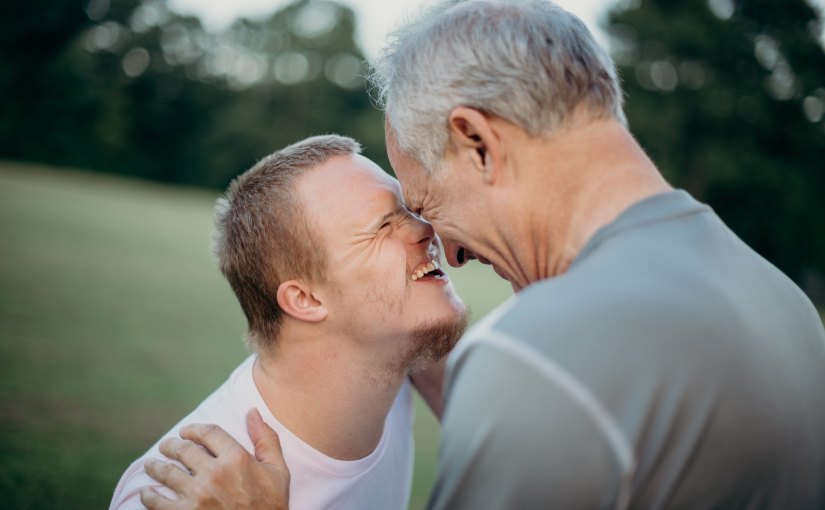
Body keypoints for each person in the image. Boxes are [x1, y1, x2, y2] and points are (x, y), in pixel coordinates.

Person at [143, 1, 825, 508]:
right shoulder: (782, 302)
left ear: (477, 143)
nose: (449, 250)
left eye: (425, 202)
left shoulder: (541, 359)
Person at [113, 134, 468, 510]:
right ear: (306, 299)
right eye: (383, 226)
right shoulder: (182, 493)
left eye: (410, 210)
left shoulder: (399, 350)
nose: (425, 228)